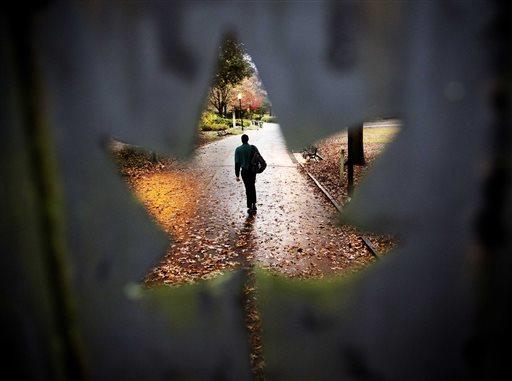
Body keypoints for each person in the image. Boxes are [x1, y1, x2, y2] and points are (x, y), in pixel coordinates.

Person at [235, 134, 260, 214]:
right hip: (252, 171)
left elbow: (237, 163)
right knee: (252, 186)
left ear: (242, 140)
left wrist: (237, 175)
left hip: (244, 172)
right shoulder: (253, 148)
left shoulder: (238, 149)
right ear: (248, 139)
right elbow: (258, 158)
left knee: (247, 188)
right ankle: (254, 204)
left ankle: (249, 205)